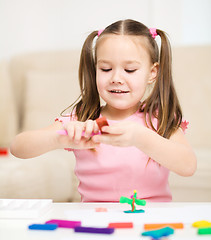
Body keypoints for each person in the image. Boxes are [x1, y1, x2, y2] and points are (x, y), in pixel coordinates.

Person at [10, 19, 197, 202]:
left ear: (152, 73)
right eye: (106, 69)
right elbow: (18, 147)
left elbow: (188, 166)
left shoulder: (159, 118)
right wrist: (59, 138)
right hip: (96, 222)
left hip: (150, 223)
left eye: (130, 70)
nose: (116, 77)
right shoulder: (83, 119)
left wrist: (142, 137)